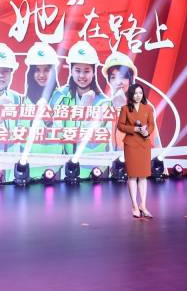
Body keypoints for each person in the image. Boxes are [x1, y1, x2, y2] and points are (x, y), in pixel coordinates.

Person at [50, 41, 113, 176]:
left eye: (87, 71)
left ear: (94, 72)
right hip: (67, 170)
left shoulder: (104, 103)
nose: (82, 76)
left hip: (95, 172)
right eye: (78, 70)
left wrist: (86, 113)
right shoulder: (60, 97)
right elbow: (54, 133)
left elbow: (102, 139)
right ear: (71, 70)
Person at [102, 51, 162, 151]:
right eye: (113, 77)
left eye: (123, 77)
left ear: (130, 79)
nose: (118, 82)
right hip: (113, 160)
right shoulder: (106, 106)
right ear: (109, 81)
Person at [20, 42, 61, 177]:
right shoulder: (23, 100)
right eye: (37, 70)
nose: (41, 75)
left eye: (46, 70)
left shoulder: (62, 98)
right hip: (26, 169)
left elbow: (68, 135)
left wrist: (49, 121)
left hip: (53, 170)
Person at [117, 83, 155, 219]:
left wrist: (147, 132)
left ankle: (143, 205)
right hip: (131, 144)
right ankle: (134, 205)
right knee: (132, 176)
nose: (138, 95)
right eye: (135, 93)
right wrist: (135, 129)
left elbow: (152, 124)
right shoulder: (125, 109)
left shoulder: (148, 108)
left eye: (140, 93)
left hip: (144, 144)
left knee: (143, 176)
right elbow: (120, 126)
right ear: (131, 95)